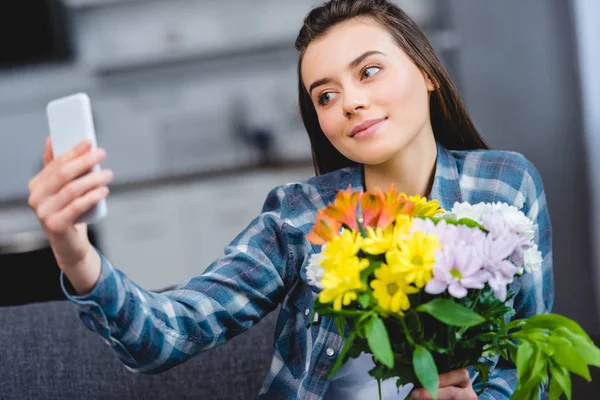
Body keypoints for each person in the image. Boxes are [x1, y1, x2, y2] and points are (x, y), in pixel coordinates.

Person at [27, 0, 553, 399]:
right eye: (325, 95)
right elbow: (168, 336)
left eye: (368, 71)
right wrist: (75, 252)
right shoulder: (299, 217)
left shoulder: (506, 186)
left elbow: (529, 356)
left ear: (429, 74)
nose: (350, 102)